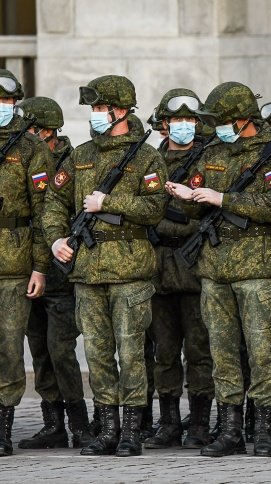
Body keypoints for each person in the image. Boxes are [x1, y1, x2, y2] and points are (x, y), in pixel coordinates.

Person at [166, 81, 271, 458]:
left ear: (243, 120)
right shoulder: (213, 152)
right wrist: (187, 197)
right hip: (215, 266)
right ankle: (228, 430)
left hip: (256, 266)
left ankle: (262, 429)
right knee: (222, 351)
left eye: (223, 121)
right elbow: (198, 204)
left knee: (261, 352)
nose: (218, 127)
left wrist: (224, 198)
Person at [42, 75, 167, 457]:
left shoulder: (147, 156)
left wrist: (109, 204)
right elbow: (54, 203)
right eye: (93, 109)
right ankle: (107, 426)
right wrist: (56, 239)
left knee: (130, 352)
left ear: (121, 110)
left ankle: (132, 428)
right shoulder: (80, 155)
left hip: (129, 270)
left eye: (101, 108)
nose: (95, 115)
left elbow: (155, 209)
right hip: (88, 270)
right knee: (96, 353)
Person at [15, 96, 93, 450]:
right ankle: (52, 422)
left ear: (48, 131)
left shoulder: (72, 161)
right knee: (39, 348)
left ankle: (79, 422)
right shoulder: (23, 157)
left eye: (31, 129)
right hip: (30, 265)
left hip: (61, 271)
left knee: (61, 348)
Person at [143, 89, 215, 450]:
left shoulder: (209, 160)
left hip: (194, 266)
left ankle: (200, 422)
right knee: (164, 351)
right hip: (158, 266)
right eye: (176, 120)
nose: (183, 126)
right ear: (164, 123)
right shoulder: (148, 160)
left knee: (200, 350)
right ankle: (168, 421)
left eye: (190, 120)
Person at [0, 69, 52, 457]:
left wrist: (39, 266)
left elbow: (44, 212)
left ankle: (3, 426)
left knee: (7, 346)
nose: (3, 108)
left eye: (7, 101)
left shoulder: (33, 149)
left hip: (14, 263)